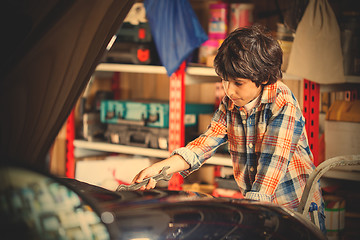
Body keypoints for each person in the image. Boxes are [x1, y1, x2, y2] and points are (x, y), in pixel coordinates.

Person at [131, 24, 325, 233]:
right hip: (260, 209)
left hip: (296, 213)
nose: (229, 90)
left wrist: (247, 219)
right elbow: (206, 142)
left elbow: (271, 166)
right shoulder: (231, 103)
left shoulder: (283, 104)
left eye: (237, 83)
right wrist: (160, 169)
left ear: (264, 78)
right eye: (224, 80)